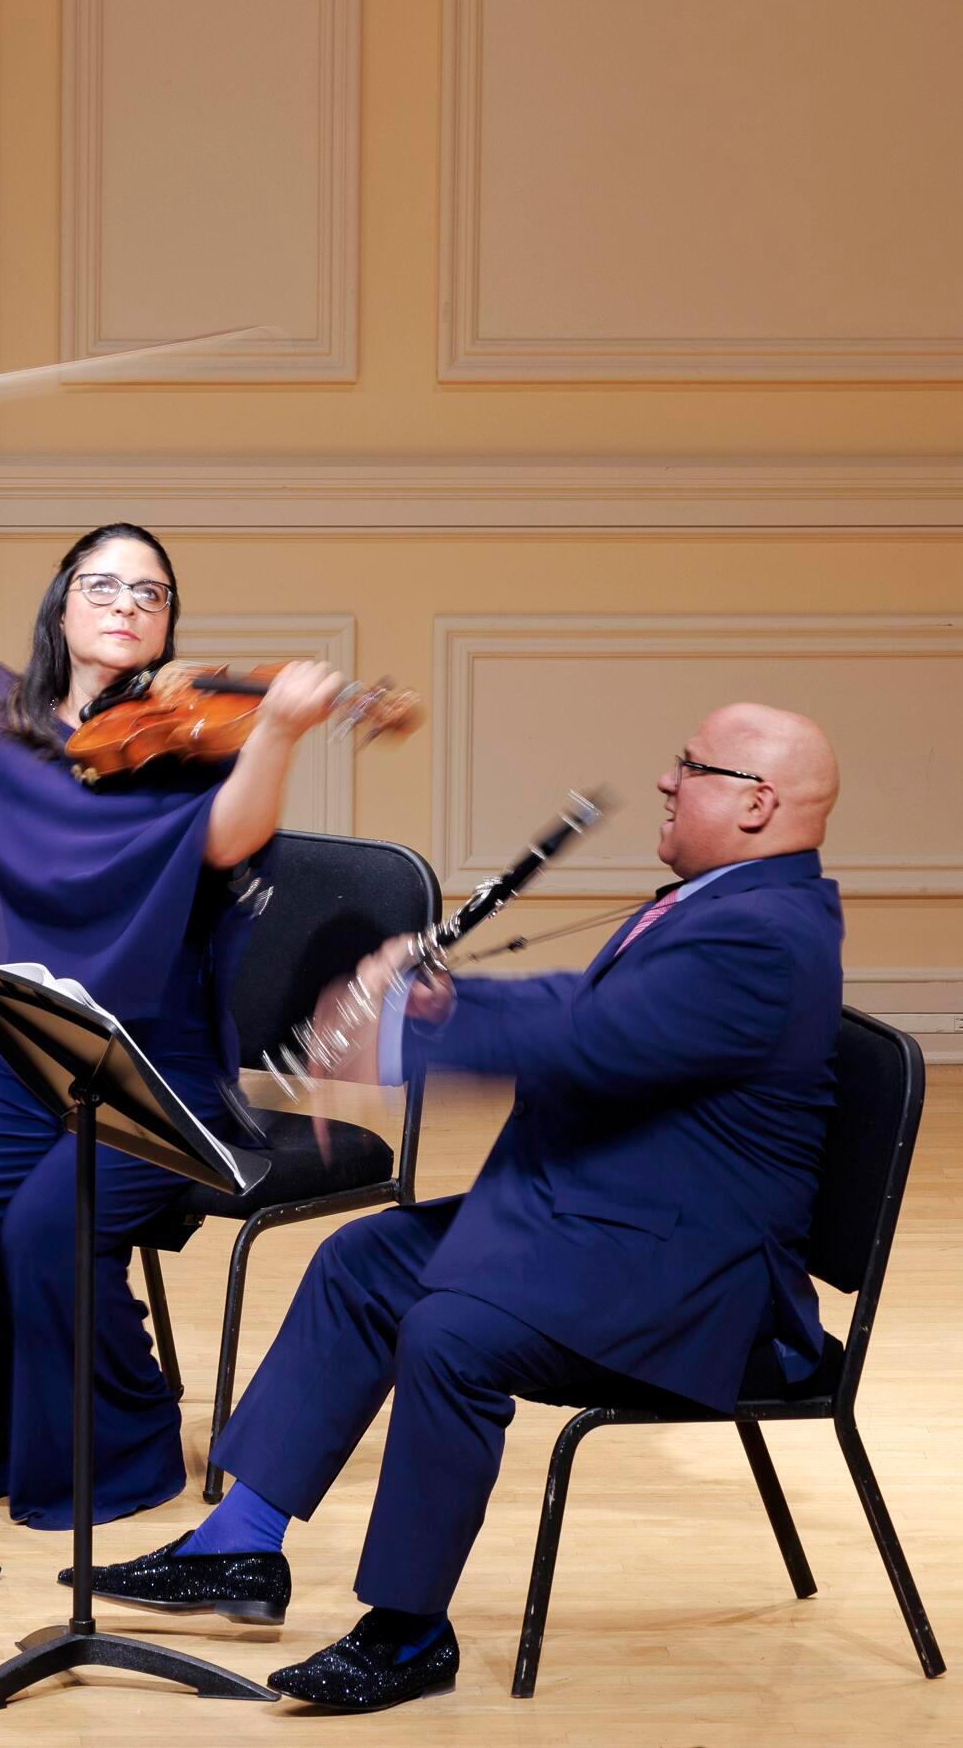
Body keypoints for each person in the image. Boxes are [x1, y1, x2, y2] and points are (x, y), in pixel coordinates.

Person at [74, 704, 845, 1711]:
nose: (665, 780)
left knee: (451, 1334)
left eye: (689, 766)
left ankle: (406, 1632)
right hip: (612, 1221)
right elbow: (593, 1011)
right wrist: (438, 1007)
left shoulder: (764, 936)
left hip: (691, 1280)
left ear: (756, 803)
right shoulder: (731, 904)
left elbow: (587, 1040)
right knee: (365, 1261)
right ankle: (240, 1543)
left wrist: (397, 1036)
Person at [0, 378, 345, 1529]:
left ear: (167, 623)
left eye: (151, 593)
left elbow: (236, 836)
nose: (127, 603)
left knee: (51, 1229)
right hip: (34, 1053)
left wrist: (283, 729)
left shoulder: (194, 744)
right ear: (61, 604)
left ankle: (122, 1450)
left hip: (161, 1071)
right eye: (104, 582)